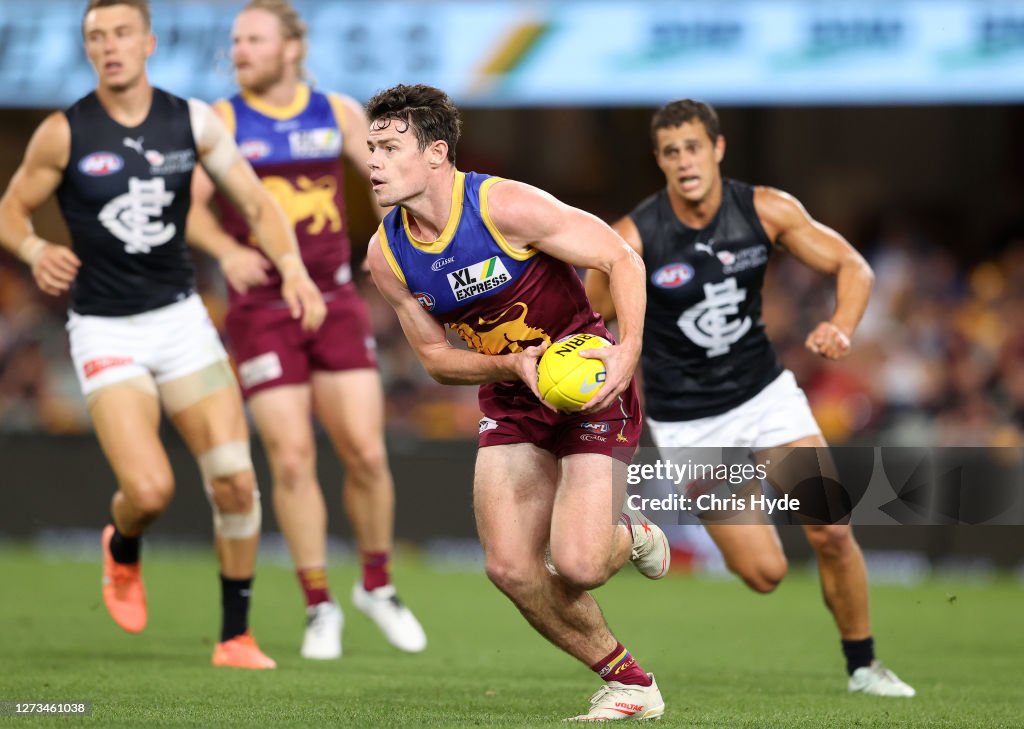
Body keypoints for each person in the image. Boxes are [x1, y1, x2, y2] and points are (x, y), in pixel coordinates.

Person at [0, 0, 326, 669]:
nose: (109, 45)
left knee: (236, 482)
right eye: (96, 36)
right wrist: (34, 251)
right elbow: (10, 209)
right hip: (105, 327)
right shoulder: (64, 133)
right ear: (87, 49)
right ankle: (122, 545)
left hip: (180, 321)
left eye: (121, 33)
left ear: (148, 42)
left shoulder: (192, 120)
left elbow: (257, 203)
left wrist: (292, 265)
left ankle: (235, 635)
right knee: (149, 491)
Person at [585, 99, 915, 697]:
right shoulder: (632, 238)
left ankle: (864, 666)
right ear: (658, 161)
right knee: (764, 574)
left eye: (693, 146)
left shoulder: (765, 209)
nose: (684, 160)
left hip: (766, 401)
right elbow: (587, 320)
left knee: (832, 532)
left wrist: (841, 324)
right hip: (690, 426)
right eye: (670, 151)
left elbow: (853, 267)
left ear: (717, 149)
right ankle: (646, 528)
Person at [364, 83, 671, 721]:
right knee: (509, 567)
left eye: (389, 148)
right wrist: (510, 364)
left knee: (579, 564)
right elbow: (435, 358)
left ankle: (631, 532)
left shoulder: (503, 205)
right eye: (370, 147)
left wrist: (630, 349)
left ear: (435, 153)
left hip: (588, 382)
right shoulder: (386, 253)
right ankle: (631, 684)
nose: (372, 162)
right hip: (512, 398)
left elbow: (621, 257)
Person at [186, 0, 425, 659]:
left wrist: (396, 234)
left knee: (367, 451)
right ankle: (320, 602)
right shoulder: (224, 120)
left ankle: (376, 584)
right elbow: (193, 212)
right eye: (236, 40)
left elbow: (385, 184)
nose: (239, 50)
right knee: (291, 457)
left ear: (293, 46)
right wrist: (226, 250)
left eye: (253, 38)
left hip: (335, 297)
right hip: (261, 309)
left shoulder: (339, 112)